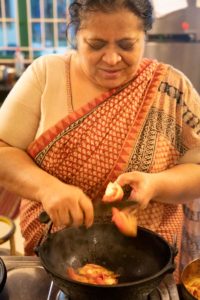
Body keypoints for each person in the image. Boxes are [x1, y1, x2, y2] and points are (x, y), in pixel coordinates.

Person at [0, 0, 200, 282]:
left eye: (126, 45)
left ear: (145, 36)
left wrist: (156, 185)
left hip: (151, 261)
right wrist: (47, 188)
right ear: (75, 36)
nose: (111, 59)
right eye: (95, 44)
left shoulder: (171, 88)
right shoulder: (46, 75)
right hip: (59, 258)